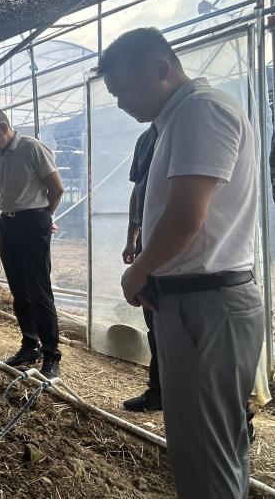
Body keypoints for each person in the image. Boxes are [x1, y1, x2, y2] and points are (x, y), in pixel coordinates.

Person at [100, 27, 263, 499]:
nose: (120, 103)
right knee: (209, 445)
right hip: (194, 299)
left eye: (124, 89)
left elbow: (186, 217)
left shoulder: (200, 110)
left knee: (205, 453)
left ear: (161, 69)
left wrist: (137, 272)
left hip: (205, 303)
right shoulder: (175, 119)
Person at [0, 107, 65, 378]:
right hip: (8, 222)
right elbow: (6, 192)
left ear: (3, 128)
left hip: (32, 222)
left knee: (39, 289)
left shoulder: (31, 148)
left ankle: (51, 354)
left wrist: (43, 216)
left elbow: (56, 188)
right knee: (18, 289)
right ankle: (29, 345)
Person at [122, 124, 161, 412]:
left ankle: (237, 415)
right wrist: (132, 239)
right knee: (154, 321)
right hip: (148, 243)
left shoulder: (191, 123)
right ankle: (158, 390)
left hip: (188, 251)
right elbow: (138, 191)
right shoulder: (145, 139)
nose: (123, 104)